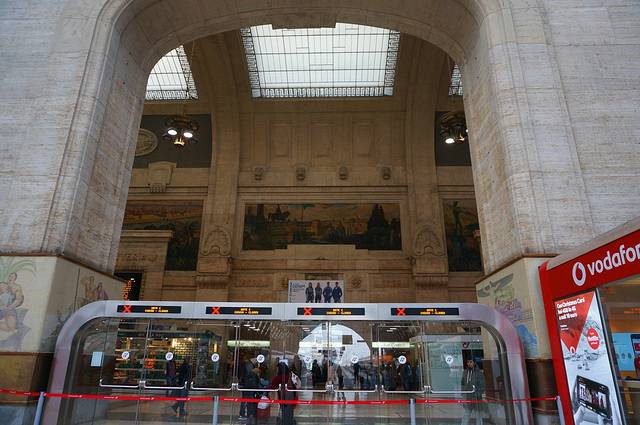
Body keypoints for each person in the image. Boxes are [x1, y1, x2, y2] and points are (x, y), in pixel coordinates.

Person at [461, 358, 486, 425]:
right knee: (466, 415)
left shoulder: (479, 373)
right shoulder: (465, 372)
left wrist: (477, 394)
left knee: (478, 415)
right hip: (468, 397)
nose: (469, 363)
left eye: (471, 362)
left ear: (474, 363)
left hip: (476, 398)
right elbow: (462, 384)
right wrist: (463, 394)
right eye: (468, 362)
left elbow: (482, 385)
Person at [239, 358, 260, 424]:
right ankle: (244, 414)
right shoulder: (249, 365)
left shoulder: (248, 365)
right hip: (247, 387)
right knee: (246, 400)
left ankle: (245, 414)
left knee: (245, 400)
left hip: (246, 386)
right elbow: (250, 377)